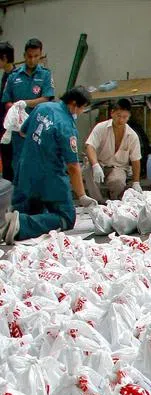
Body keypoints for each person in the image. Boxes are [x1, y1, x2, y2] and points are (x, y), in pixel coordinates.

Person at [0, 89, 96, 244]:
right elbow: (73, 166)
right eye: (82, 108)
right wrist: (82, 195)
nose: (82, 111)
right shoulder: (66, 126)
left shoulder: (42, 107)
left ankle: (10, 221)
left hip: (24, 172)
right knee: (66, 217)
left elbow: (23, 132)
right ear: (74, 104)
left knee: (30, 211)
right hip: (49, 177)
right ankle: (20, 224)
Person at [1, 38, 54, 182]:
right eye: (29, 56)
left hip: (39, 126)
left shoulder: (45, 75)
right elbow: (6, 100)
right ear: (24, 55)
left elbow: (47, 98)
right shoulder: (14, 76)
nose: (32, 60)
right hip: (19, 129)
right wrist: (15, 109)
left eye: (36, 56)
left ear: (40, 55)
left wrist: (25, 103)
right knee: (19, 163)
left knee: (40, 162)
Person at [83, 98, 142, 202]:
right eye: (118, 116)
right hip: (100, 163)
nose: (121, 120)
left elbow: (135, 160)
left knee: (118, 181)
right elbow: (89, 146)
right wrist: (95, 165)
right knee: (88, 169)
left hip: (118, 168)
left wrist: (136, 182)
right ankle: (97, 202)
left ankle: (115, 201)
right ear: (112, 113)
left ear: (129, 117)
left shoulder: (132, 135)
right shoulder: (101, 127)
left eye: (125, 117)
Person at [0, 42, 16, 182]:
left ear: (4, 58)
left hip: (11, 126)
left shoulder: (14, 77)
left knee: (10, 161)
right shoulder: (5, 75)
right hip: (3, 124)